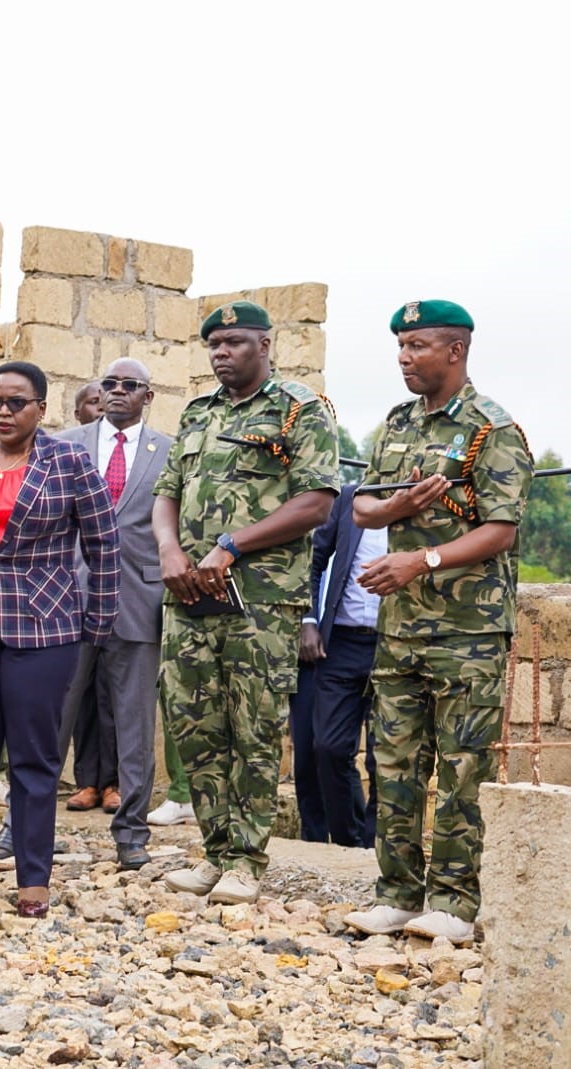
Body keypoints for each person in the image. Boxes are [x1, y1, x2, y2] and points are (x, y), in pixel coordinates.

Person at [344, 300, 532, 945]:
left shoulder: (491, 429)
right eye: (400, 346)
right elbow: (363, 508)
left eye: (417, 346)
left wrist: (421, 560)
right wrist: (394, 504)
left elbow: (501, 531)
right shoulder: (397, 423)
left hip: (468, 631)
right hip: (399, 628)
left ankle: (454, 903)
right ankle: (396, 893)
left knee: (459, 770)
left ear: (455, 350)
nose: (404, 358)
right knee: (393, 764)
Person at [153, 300, 338, 906]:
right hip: (188, 596)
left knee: (253, 729)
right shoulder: (199, 412)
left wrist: (232, 545)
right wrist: (170, 552)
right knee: (195, 726)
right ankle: (214, 850)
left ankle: (247, 860)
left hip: (260, 602)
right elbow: (167, 493)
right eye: (214, 344)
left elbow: (316, 502)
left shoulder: (299, 411)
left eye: (234, 342)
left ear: (266, 343)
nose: (222, 353)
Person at [0, 361, 119, 918]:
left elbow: (103, 546)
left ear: (41, 408)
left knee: (34, 757)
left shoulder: (68, 462)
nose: (2, 411)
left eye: (16, 402)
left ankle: (33, 878)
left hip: (45, 627)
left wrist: (96, 623)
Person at [55, 359, 172, 870]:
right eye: (110, 385)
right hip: (65, 600)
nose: (117, 392)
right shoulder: (62, 444)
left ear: (149, 396)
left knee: (134, 726)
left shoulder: (169, 452)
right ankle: (21, 830)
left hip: (137, 601)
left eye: (130, 386)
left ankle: (131, 835)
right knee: (48, 720)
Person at [290, 484, 379, 848]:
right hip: (341, 640)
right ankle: (347, 843)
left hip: (396, 644)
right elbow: (313, 557)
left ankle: (375, 849)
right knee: (326, 747)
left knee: (384, 758)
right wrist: (309, 618)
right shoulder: (351, 498)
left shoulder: (422, 504)